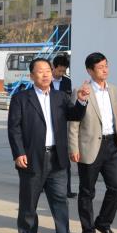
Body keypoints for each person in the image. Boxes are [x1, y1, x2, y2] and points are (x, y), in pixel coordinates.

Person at [8, 58, 89, 233]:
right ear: (31, 76)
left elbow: (75, 115)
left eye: (48, 71)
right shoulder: (21, 98)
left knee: (60, 199)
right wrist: (19, 153)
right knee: (29, 200)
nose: (45, 75)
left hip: (57, 157)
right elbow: (14, 128)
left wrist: (81, 100)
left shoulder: (60, 97)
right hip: (32, 157)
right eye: (40, 71)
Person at [69, 52, 117, 233]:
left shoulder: (113, 90)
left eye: (106, 66)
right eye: (100, 67)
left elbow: (116, 119)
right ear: (90, 71)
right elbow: (73, 122)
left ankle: (103, 222)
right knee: (87, 191)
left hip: (111, 145)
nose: (105, 70)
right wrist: (73, 147)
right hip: (89, 146)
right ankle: (88, 230)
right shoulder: (81, 91)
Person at [51, 53, 76, 198]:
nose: (61, 73)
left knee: (64, 157)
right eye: (59, 70)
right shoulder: (45, 80)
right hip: (47, 122)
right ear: (53, 67)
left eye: (64, 71)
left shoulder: (67, 82)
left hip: (62, 123)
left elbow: (68, 101)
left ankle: (67, 189)